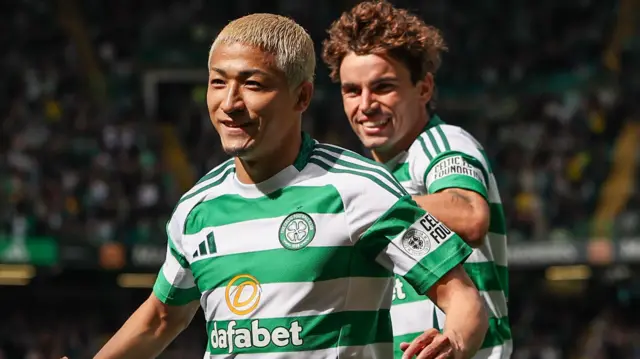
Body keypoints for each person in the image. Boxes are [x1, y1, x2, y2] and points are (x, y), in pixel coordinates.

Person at [71, 13, 487, 359]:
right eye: (218, 83)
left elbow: (462, 296)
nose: (230, 103)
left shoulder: (362, 190)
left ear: (301, 96)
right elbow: (162, 318)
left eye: (253, 84)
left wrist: (453, 343)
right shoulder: (197, 208)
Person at [322, 2, 512, 359]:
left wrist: (350, 209)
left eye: (383, 87)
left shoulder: (440, 144)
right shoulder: (370, 176)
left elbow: (470, 214)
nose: (365, 104)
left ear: (423, 89)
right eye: (352, 90)